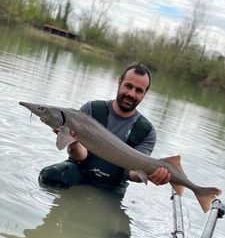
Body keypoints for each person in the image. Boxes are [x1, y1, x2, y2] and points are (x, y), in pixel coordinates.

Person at [39, 62, 171, 192]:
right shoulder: (91, 110)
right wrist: (72, 142)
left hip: (112, 187)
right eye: (128, 86)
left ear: (144, 94)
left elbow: (131, 173)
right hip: (79, 173)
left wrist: (152, 174)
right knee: (48, 176)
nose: (131, 94)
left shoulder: (146, 131)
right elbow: (80, 156)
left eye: (138, 90)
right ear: (119, 83)